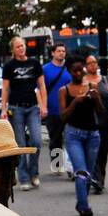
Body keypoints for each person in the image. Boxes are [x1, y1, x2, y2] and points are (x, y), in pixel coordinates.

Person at [60, 58, 104, 216]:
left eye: (80, 71)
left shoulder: (92, 87)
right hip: (74, 134)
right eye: (74, 71)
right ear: (70, 72)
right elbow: (63, 116)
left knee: (88, 173)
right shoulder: (64, 90)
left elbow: (101, 112)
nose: (78, 74)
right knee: (81, 172)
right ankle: (86, 211)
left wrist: (96, 99)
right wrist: (75, 102)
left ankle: (81, 202)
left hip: (93, 134)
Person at [0, 36, 47, 190]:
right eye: (18, 47)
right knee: (20, 144)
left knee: (36, 141)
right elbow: (5, 88)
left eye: (23, 46)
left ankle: (34, 173)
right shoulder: (9, 66)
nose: (21, 49)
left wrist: (44, 106)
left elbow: (41, 86)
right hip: (16, 108)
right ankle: (24, 178)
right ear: (13, 49)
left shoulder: (34, 64)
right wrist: (3, 109)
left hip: (33, 107)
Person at [84, 54, 108, 192]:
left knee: (103, 152)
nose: (93, 65)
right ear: (85, 66)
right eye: (90, 63)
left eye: (94, 62)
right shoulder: (83, 81)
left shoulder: (106, 80)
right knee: (93, 151)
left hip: (105, 121)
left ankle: (100, 176)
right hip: (90, 122)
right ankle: (96, 179)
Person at [42, 43, 73, 180]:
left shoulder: (69, 69)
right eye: (59, 51)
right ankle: (57, 164)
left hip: (68, 109)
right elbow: (41, 89)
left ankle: (71, 164)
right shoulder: (46, 69)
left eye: (63, 51)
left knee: (71, 137)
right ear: (53, 53)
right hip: (53, 109)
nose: (61, 53)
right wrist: (43, 106)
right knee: (55, 138)